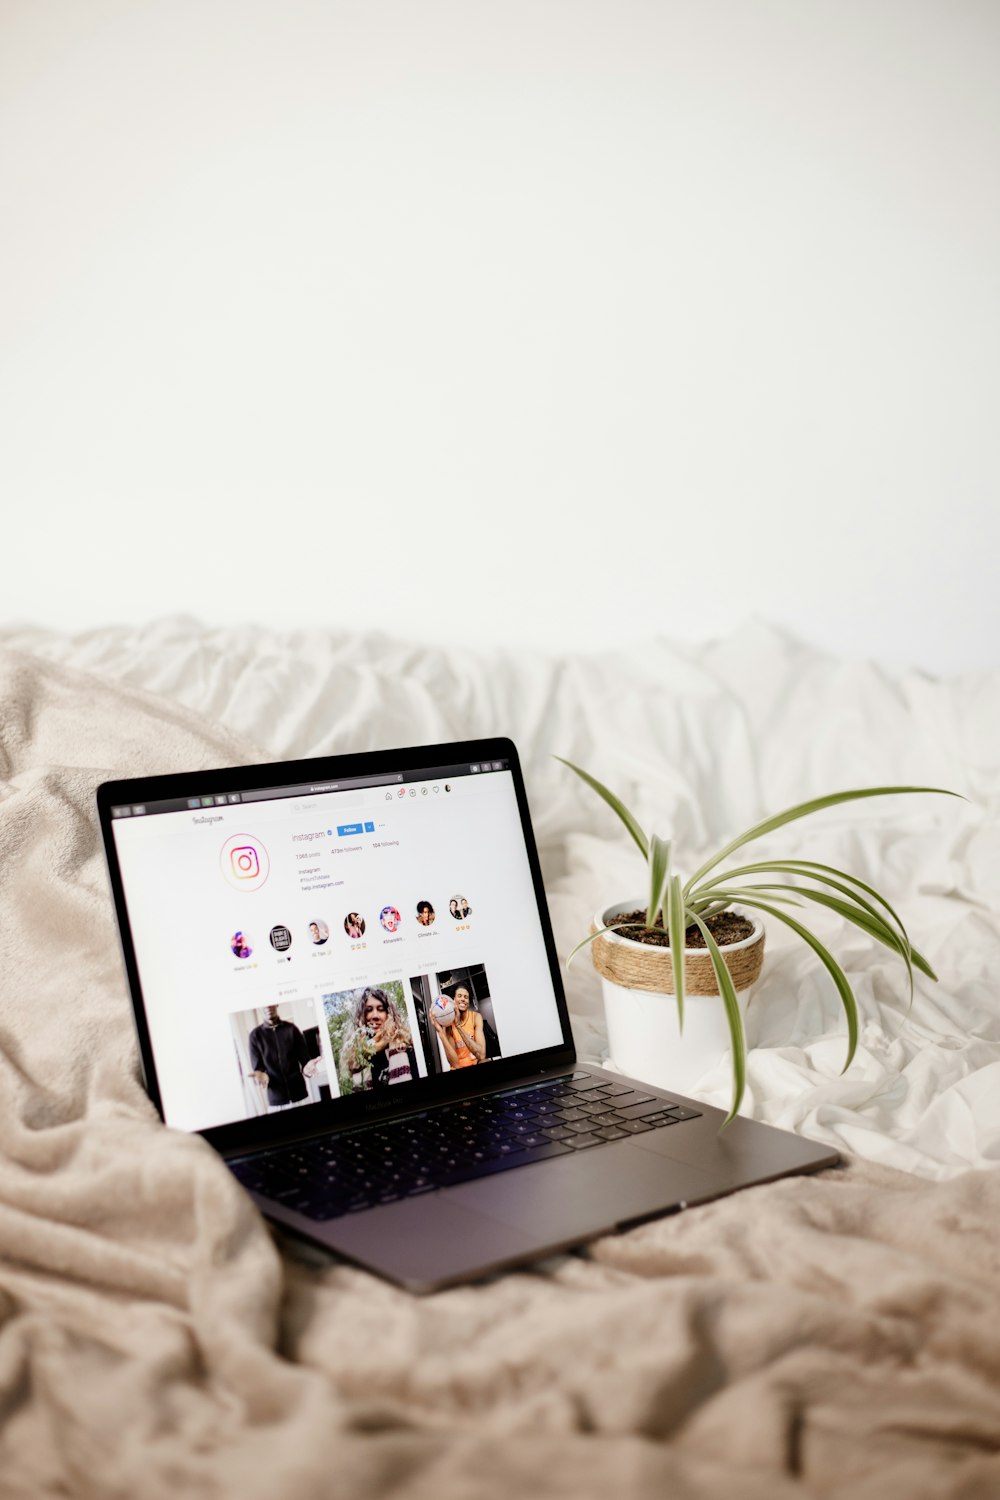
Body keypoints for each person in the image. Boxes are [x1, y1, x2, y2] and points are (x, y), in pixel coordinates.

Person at [342, 986, 417, 1090]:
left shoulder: (404, 1046)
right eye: (369, 1010)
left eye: (380, 1009)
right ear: (361, 1017)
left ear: (388, 1015)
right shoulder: (357, 1058)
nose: (375, 1015)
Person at [247, 1005, 318, 1108]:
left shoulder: (292, 1029)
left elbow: (305, 1061)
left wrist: (307, 1070)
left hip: (300, 1096)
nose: (267, 1007)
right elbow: (258, 1069)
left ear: (276, 1004)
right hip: (276, 1101)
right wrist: (261, 1075)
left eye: (270, 1003)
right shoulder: (255, 1036)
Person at [431, 983, 486, 1069]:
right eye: (459, 996)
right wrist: (441, 1034)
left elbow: (481, 1055)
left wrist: (458, 1026)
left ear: (468, 1001)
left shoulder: (476, 1017)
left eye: (466, 997)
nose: (463, 999)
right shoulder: (448, 1024)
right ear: (453, 1000)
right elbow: (455, 1064)